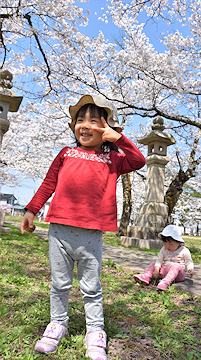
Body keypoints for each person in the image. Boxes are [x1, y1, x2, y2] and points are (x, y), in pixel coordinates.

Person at [20, 94, 146, 360]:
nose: (86, 126)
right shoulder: (66, 154)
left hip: (91, 234)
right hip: (59, 231)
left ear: (107, 129)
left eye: (95, 121)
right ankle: (57, 324)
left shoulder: (113, 160)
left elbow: (138, 161)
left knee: (91, 287)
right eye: (80, 120)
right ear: (73, 126)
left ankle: (95, 330)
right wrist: (31, 210)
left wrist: (119, 140)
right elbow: (48, 183)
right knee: (60, 283)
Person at [134, 225, 194, 291]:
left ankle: (165, 282)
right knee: (154, 263)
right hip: (166, 270)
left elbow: (189, 261)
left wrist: (190, 268)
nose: (167, 246)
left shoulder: (184, 250)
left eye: (170, 244)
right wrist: (156, 269)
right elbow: (159, 260)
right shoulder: (164, 249)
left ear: (179, 242)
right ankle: (146, 276)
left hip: (179, 274)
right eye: (165, 244)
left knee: (175, 266)